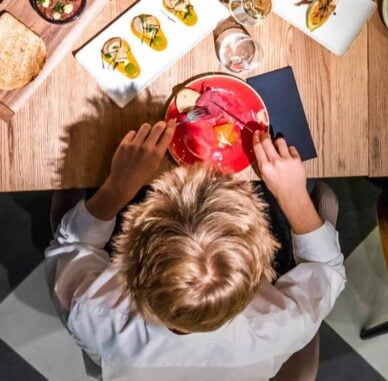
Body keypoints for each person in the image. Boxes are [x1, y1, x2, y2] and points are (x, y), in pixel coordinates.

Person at [46, 121, 346, 380]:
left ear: (129, 258)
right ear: (258, 264)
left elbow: (72, 245)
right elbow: (326, 269)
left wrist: (118, 188)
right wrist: (293, 194)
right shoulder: (279, 327)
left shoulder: (93, 314)